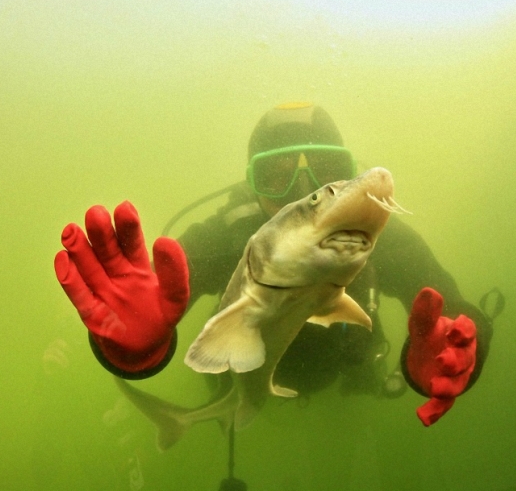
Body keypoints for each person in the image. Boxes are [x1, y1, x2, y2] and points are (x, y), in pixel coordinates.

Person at [54, 102, 493, 429]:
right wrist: (132, 350)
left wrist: (455, 350)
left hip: (340, 381)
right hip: (240, 382)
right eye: (276, 174)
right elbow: (144, 299)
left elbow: (452, 306)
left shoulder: (374, 235)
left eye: (326, 170)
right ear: (253, 183)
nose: (302, 189)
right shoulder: (227, 236)